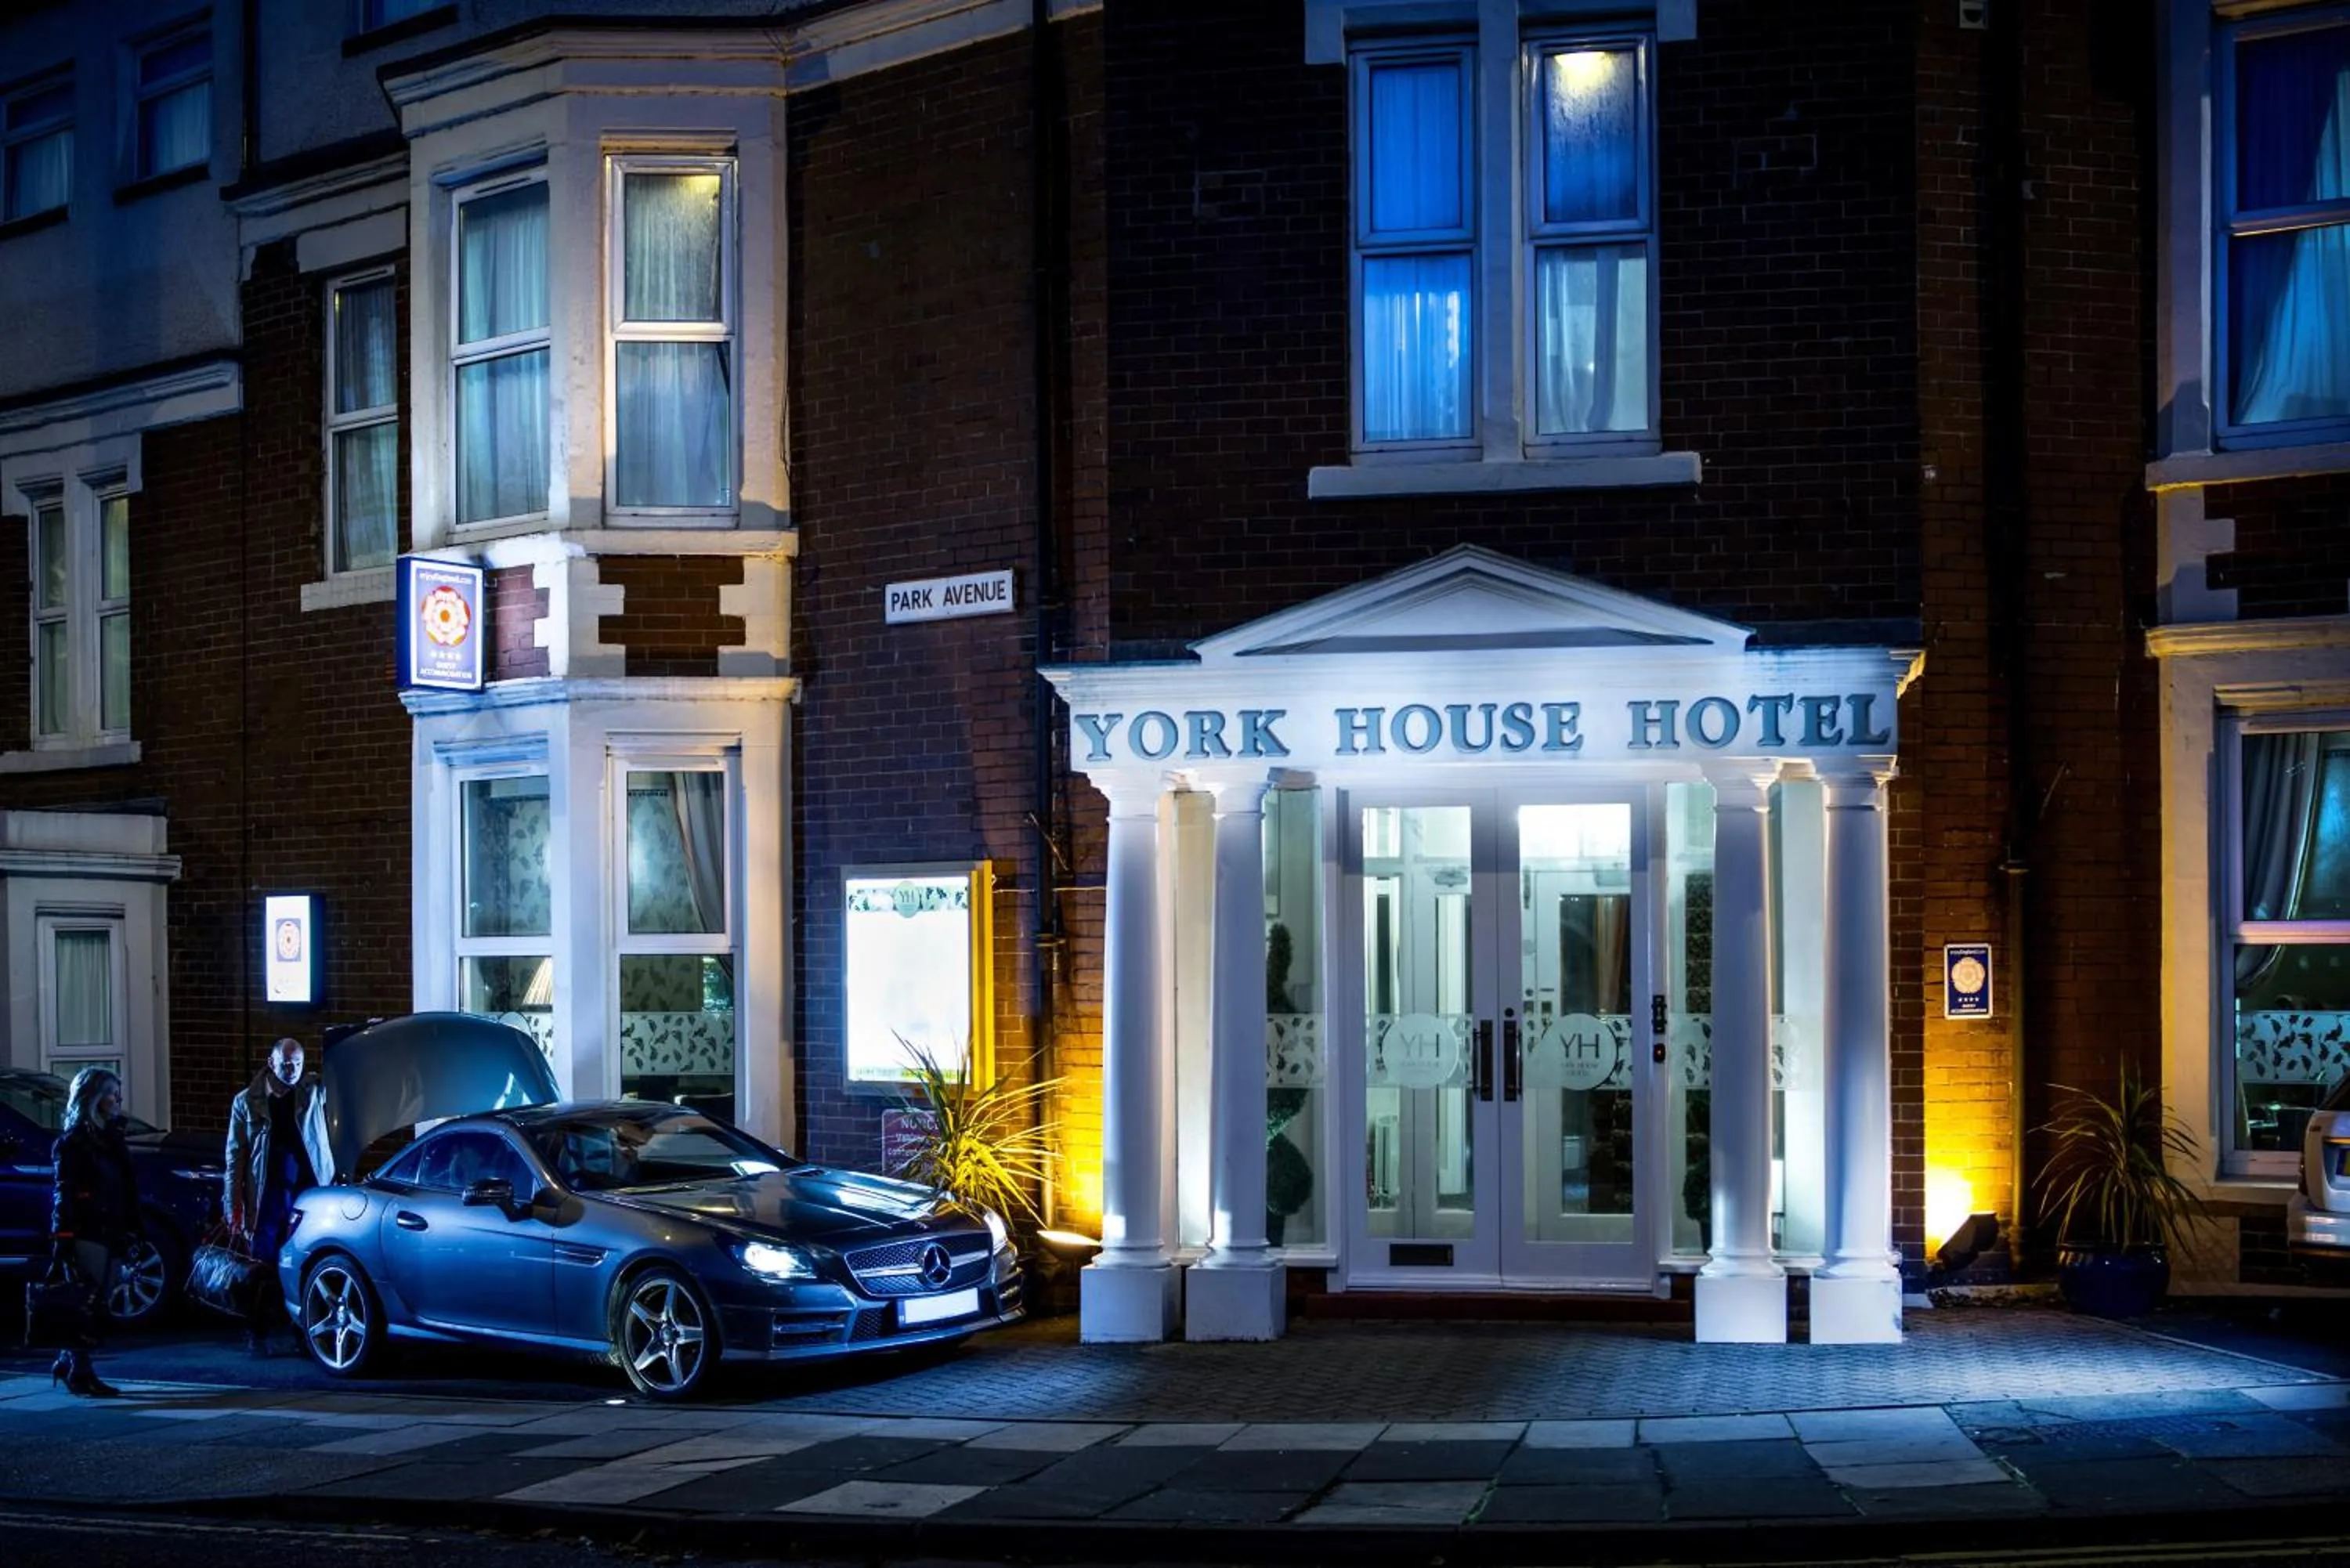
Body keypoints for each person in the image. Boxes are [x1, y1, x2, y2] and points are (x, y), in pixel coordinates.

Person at [225, 1037, 333, 1357]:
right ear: (271, 1063)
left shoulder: (312, 1092)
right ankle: (256, 1330)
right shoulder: (247, 1102)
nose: (292, 1070)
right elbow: (236, 1158)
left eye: (297, 1064)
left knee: (304, 1260)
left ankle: (302, 1332)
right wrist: (234, 1206)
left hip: (308, 1192)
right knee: (262, 1265)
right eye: (286, 1064)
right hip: (268, 1194)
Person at [48, 1067, 141, 1397]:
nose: (117, 1100)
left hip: (111, 1225)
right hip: (87, 1228)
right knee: (86, 1301)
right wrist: (63, 1237)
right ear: (94, 1098)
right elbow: (64, 1190)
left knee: (98, 1298)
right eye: (111, 1094)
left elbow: (125, 1184)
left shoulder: (110, 1137)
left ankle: (67, 1362)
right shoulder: (74, 1142)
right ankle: (80, 1371)